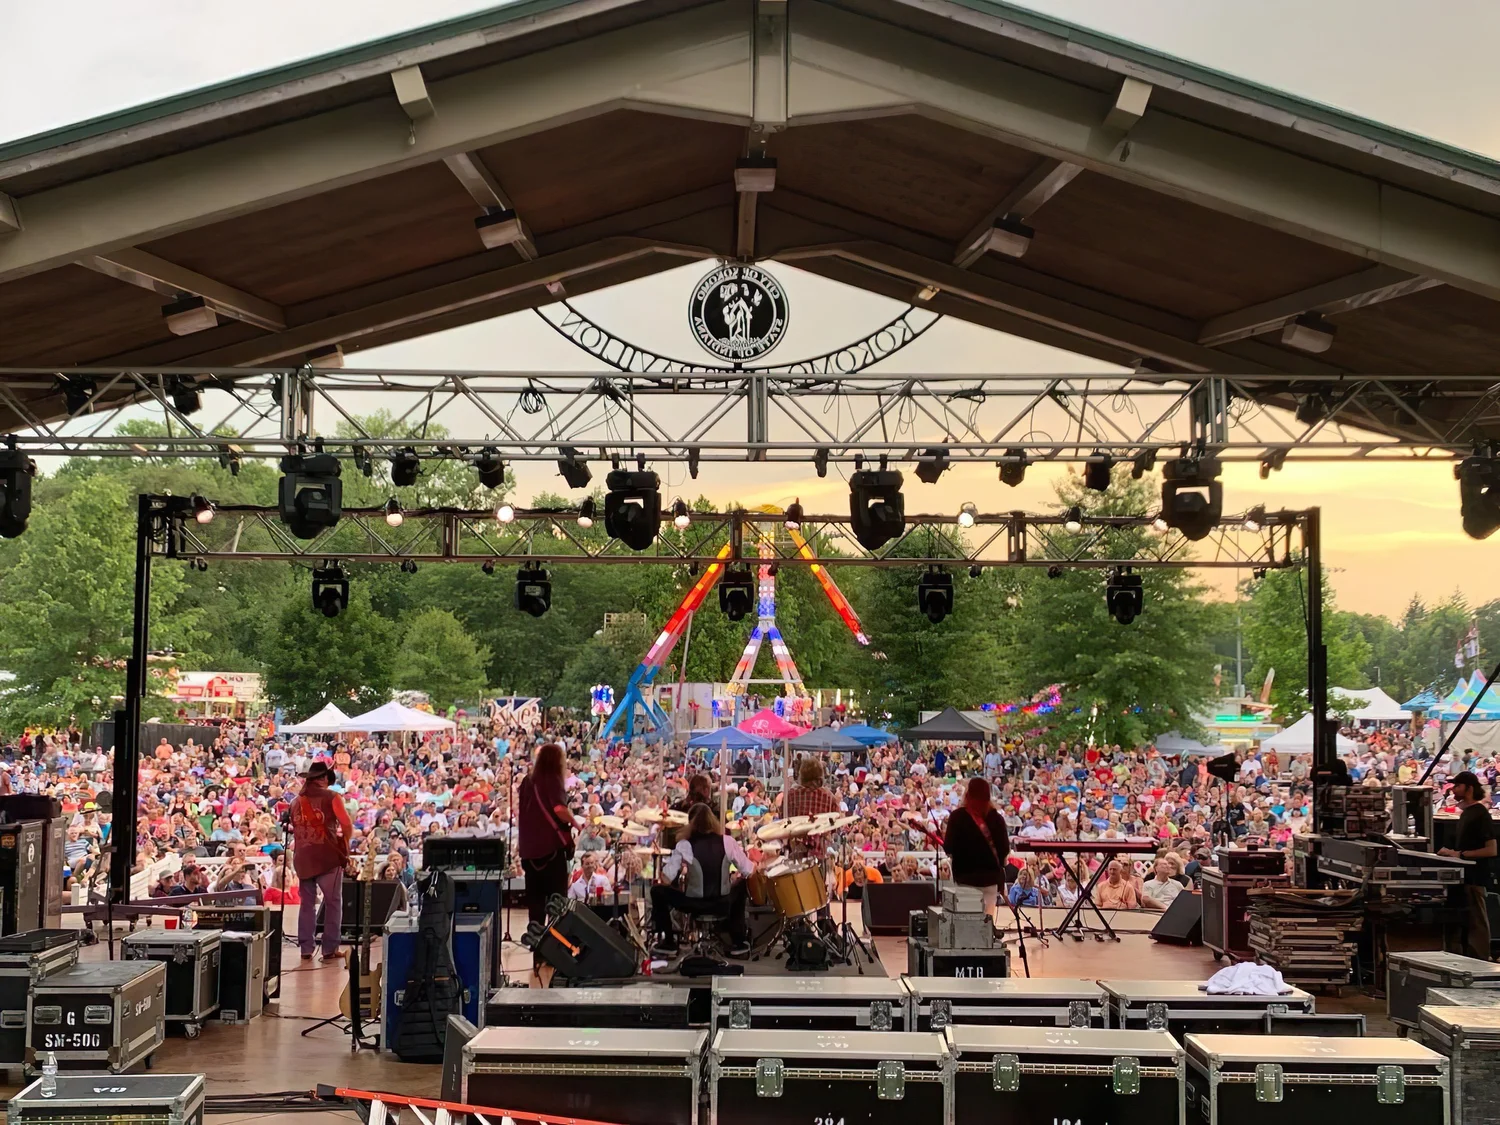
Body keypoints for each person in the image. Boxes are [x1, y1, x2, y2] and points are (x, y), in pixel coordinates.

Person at [651, 803, 752, 957]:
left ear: (690, 823)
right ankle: (738, 941)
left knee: (657, 891)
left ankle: (669, 942)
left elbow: (666, 879)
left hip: (694, 904)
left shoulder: (684, 845)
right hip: (722, 903)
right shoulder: (727, 841)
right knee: (743, 884)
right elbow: (748, 871)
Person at [517, 743, 578, 969]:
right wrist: (576, 823)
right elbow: (559, 809)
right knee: (556, 903)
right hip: (551, 851)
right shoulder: (552, 780)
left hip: (529, 852)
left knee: (535, 904)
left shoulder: (527, 782)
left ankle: (538, 951)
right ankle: (554, 950)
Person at [290, 761, 353, 964]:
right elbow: (346, 823)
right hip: (327, 857)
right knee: (333, 902)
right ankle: (329, 949)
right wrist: (345, 843)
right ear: (324, 778)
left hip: (303, 858)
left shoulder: (295, 802)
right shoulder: (332, 797)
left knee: (307, 904)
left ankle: (306, 949)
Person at [1438, 770, 1496, 960]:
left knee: (1477, 925)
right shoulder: (1468, 813)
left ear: (1469, 788)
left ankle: (1481, 962)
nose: (1453, 790)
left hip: (1475, 878)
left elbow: (1491, 850)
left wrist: (1460, 854)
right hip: (1464, 879)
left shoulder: (1480, 814)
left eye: (1457, 786)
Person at [941, 777, 1012, 915]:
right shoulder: (997, 819)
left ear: (968, 794)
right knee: (986, 922)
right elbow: (1004, 850)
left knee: (967, 921)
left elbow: (948, 848)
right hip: (990, 880)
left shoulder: (957, 817)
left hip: (965, 879)